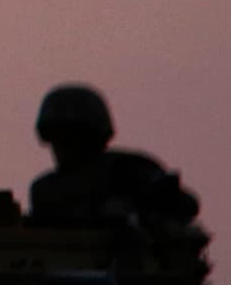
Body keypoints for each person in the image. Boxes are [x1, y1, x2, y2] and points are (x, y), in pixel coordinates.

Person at [26, 86, 202, 235]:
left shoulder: (128, 169)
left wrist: (136, 211)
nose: (63, 146)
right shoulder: (45, 188)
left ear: (95, 136)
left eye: (73, 136)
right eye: (57, 137)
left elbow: (185, 204)